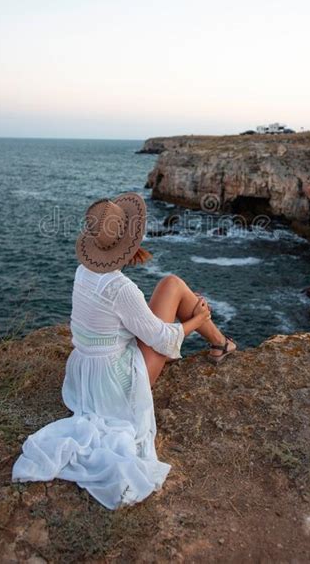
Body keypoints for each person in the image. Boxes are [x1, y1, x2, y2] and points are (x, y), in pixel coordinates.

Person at [12, 192, 236, 509]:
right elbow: (162, 339)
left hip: (86, 376)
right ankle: (221, 342)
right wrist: (198, 318)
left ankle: (220, 341)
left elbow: (117, 322)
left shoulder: (83, 272)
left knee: (171, 285)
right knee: (175, 287)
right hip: (117, 385)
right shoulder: (121, 288)